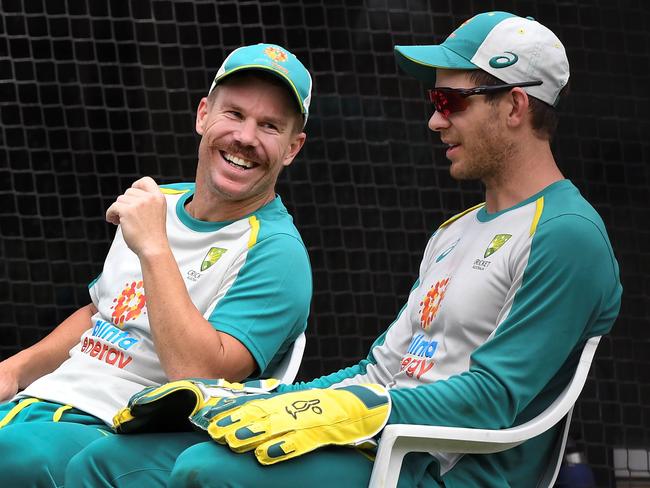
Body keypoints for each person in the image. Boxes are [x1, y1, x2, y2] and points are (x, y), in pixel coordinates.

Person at [70, 11, 621, 488]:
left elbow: (492, 398)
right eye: (435, 100)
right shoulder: (453, 231)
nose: (434, 119)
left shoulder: (568, 234)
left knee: (206, 473)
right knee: (105, 460)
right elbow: (379, 370)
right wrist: (279, 401)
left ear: (515, 106)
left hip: (441, 469)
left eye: (450, 100)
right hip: (375, 443)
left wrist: (343, 411)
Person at [0, 42, 314, 487]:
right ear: (203, 115)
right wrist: (12, 371)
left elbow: (200, 377)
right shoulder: (157, 201)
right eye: (234, 114)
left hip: (111, 435)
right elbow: (100, 314)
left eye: (269, 126)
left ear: (292, 148)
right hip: (43, 405)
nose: (246, 137)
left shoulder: (278, 254)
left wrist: (154, 247)